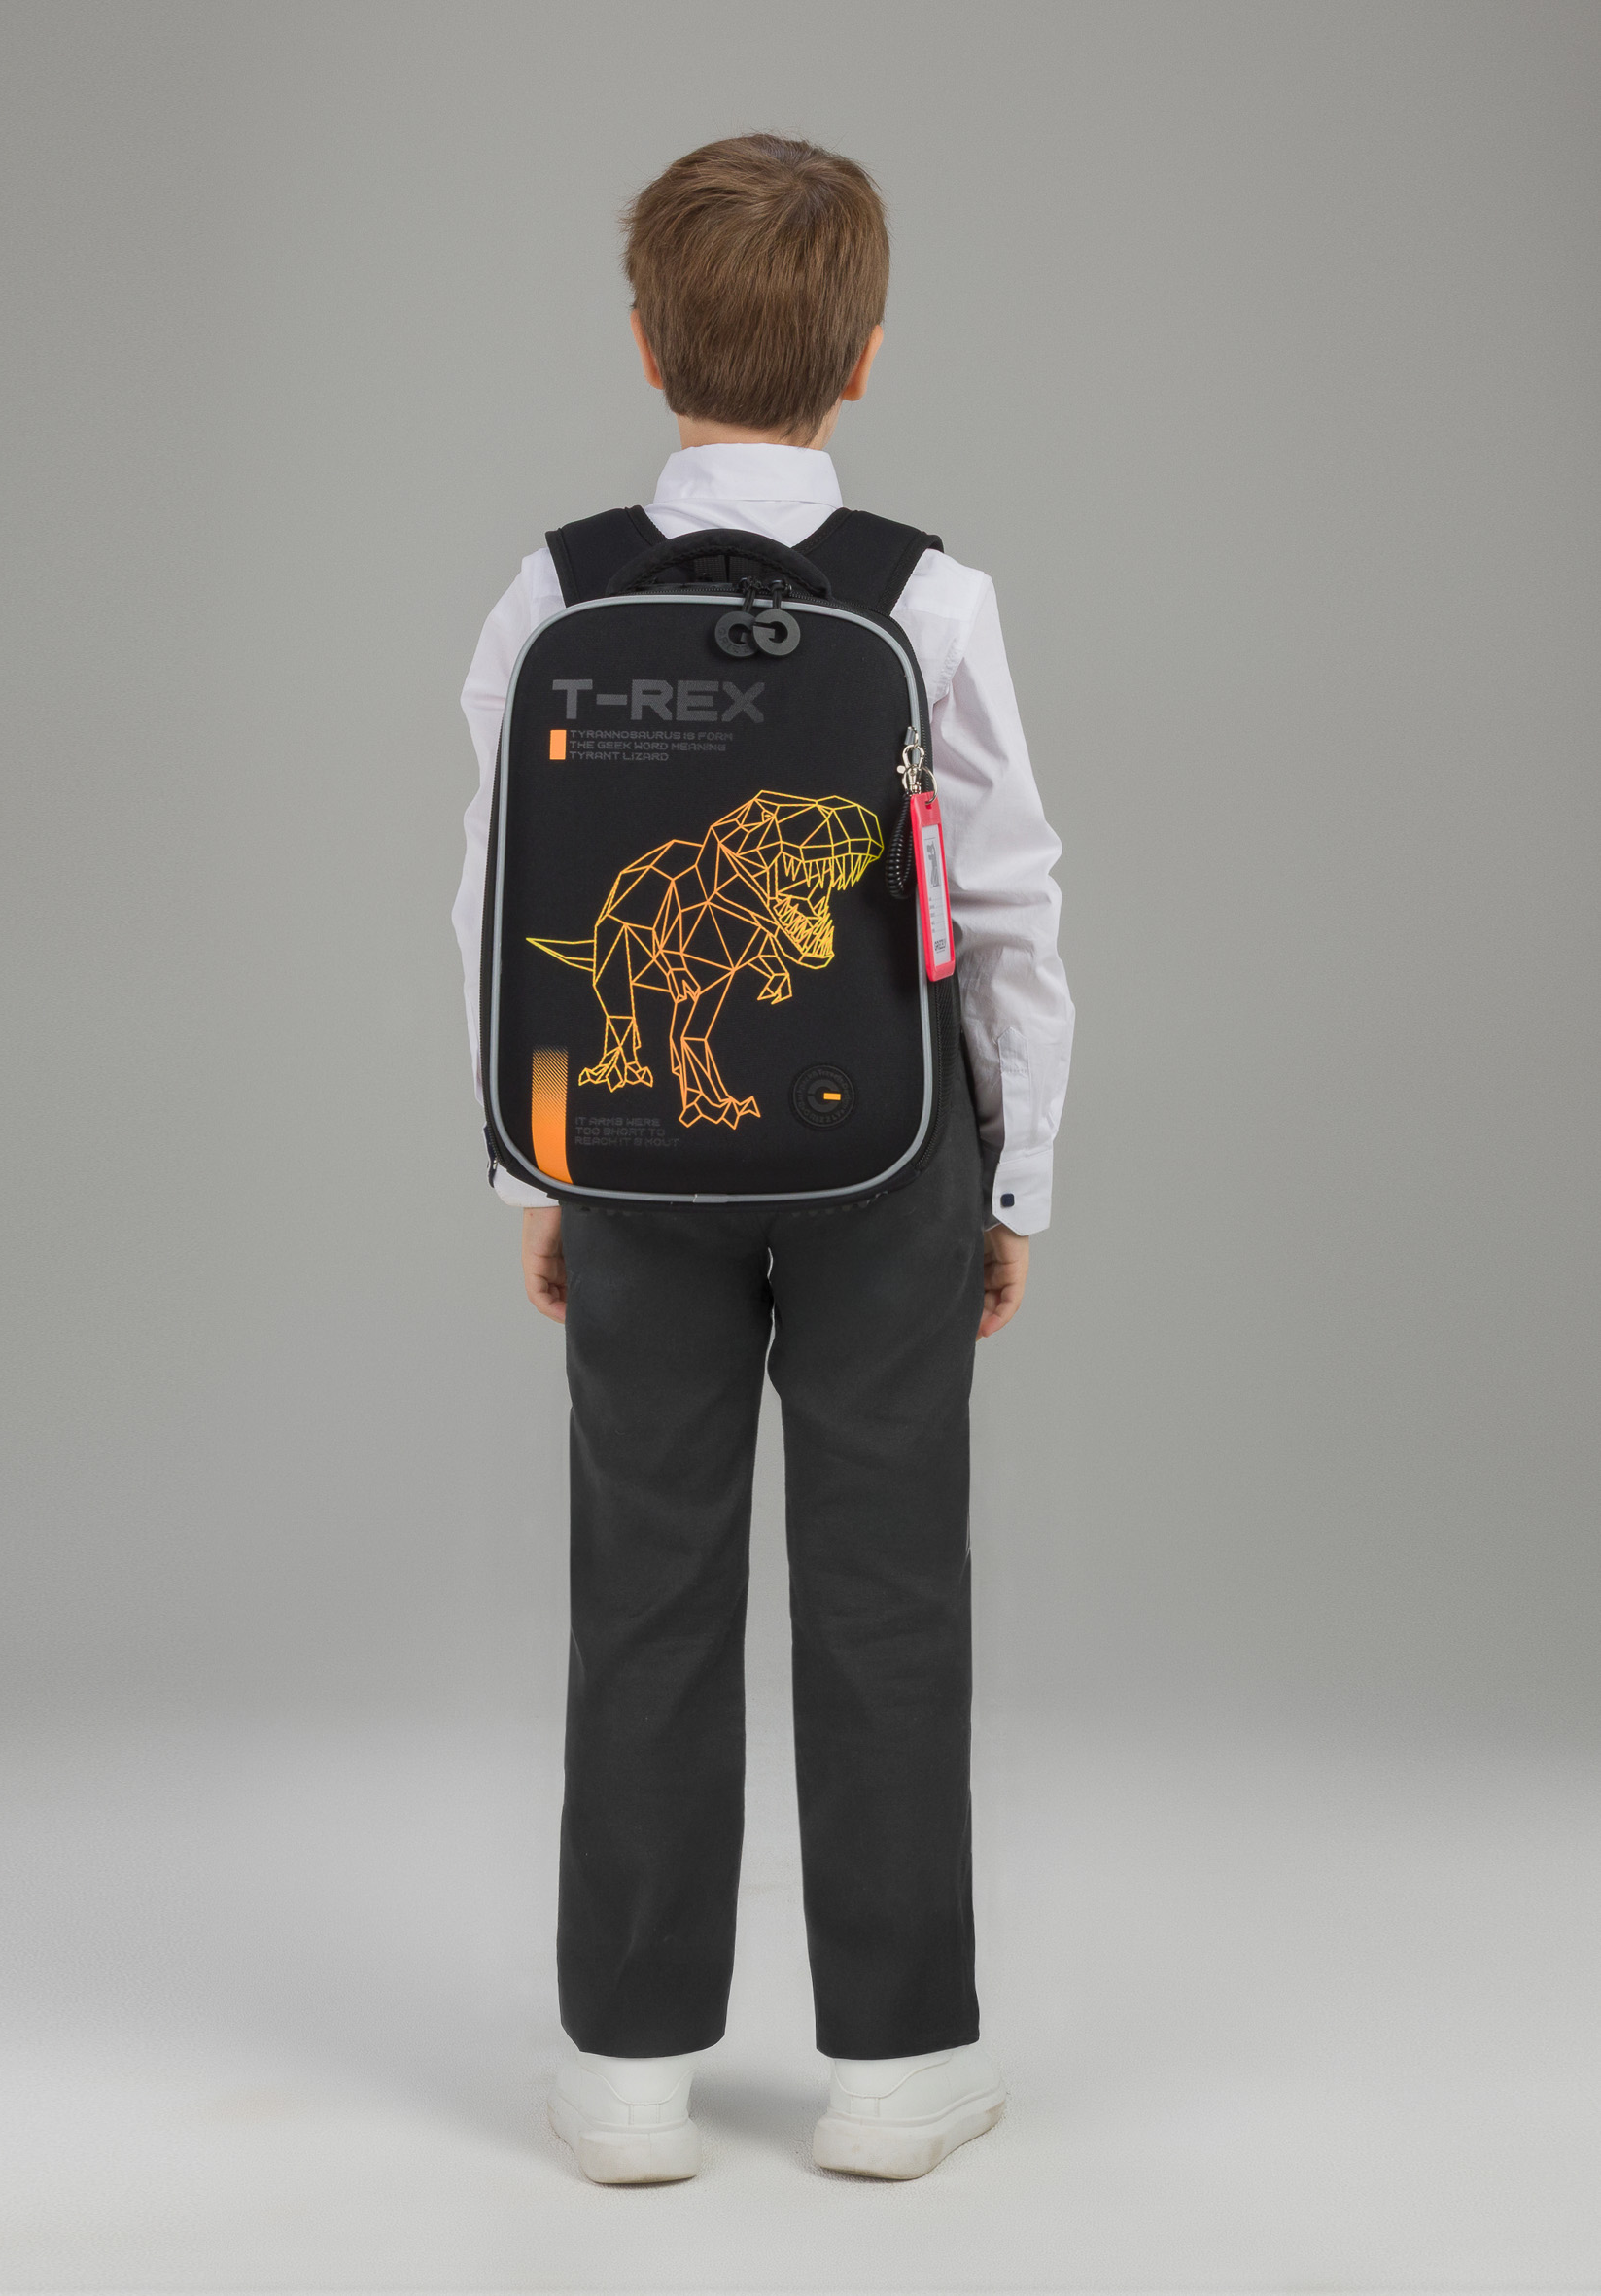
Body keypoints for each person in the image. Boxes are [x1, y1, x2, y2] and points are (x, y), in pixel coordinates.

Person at [453, 134, 1074, 2183]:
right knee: (889, 1586)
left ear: (645, 347)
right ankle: (896, 2070)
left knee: (643, 1580)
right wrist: (1013, 1176)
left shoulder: (554, 588)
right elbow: (1006, 905)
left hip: (631, 1157)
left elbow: (497, 903)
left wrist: (538, 1164)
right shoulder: (933, 594)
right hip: (887, 1151)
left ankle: (629, 2071)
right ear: (865, 357)